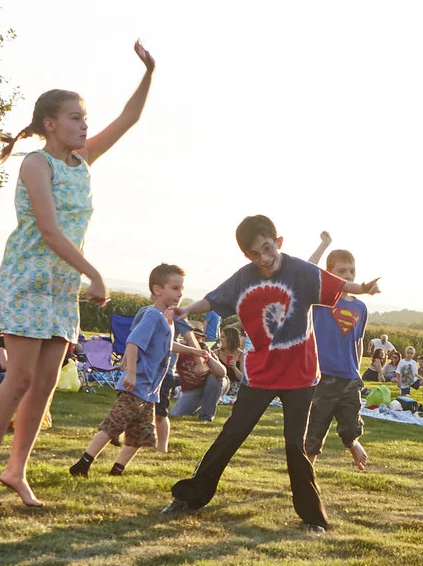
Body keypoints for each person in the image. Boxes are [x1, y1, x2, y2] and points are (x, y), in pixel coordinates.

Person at [0, 42, 157, 511]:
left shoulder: (83, 160)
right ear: (50, 124)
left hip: (59, 287)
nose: (84, 125)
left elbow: (129, 119)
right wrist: (94, 273)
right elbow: (49, 231)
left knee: (47, 383)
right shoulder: (37, 163)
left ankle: (17, 470)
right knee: (18, 380)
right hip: (28, 278)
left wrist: (149, 73)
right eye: (75, 117)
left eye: (85, 118)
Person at [163, 218, 380, 531]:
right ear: (248, 257)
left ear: (278, 242)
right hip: (261, 375)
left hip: (301, 376)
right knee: (232, 434)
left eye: (267, 248)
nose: (263, 258)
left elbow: (338, 285)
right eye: (254, 254)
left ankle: (312, 519)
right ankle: (190, 497)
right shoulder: (244, 279)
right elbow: (215, 298)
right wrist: (187, 310)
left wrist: (363, 289)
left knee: (295, 444)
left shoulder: (300, 271)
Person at [71, 263, 184, 478]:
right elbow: (133, 342)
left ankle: (117, 470)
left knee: (140, 435)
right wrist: (131, 372)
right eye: (175, 288)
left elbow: (167, 347)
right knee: (113, 425)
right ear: (158, 290)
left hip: (150, 391)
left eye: (181, 289)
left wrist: (195, 352)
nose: (180, 294)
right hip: (136, 385)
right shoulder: (153, 316)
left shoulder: (166, 320)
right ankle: (83, 463)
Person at [305, 246, 373, 472]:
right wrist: (324, 244)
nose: (348, 276)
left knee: (351, 424)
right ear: (329, 272)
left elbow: (358, 341)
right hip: (323, 378)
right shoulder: (321, 300)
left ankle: (353, 443)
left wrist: (357, 370)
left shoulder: (360, 307)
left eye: (351, 271)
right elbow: (306, 272)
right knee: (315, 428)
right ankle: (307, 473)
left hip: (349, 378)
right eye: (342, 271)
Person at [167, 316, 223, 422]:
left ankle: (206, 416)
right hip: (192, 390)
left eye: (198, 337)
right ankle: (197, 408)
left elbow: (222, 373)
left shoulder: (207, 352)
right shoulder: (180, 352)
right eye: (193, 337)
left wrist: (208, 357)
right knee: (174, 414)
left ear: (202, 339)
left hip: (211, 386)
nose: (195, 341)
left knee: (214, 379)